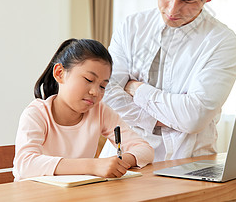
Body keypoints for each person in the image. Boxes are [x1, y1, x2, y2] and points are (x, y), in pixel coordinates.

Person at [102, 0, 236, 161]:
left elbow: (193, 118)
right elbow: (106, 95)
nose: (172, 9)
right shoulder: (131, 26)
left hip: (188, 164)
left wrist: (136, 89)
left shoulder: (224, 43)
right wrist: (166, 116)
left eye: (187, 0)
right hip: (123, 159)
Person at [13, 38, 154, 180]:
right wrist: (93, 166)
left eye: (102, 86)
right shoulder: (36, 114)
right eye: (88, 80)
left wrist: (117, 163)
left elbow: (145, 150)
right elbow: (25, 164)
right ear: (60, 73)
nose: (95, 92)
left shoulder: (100, 111)